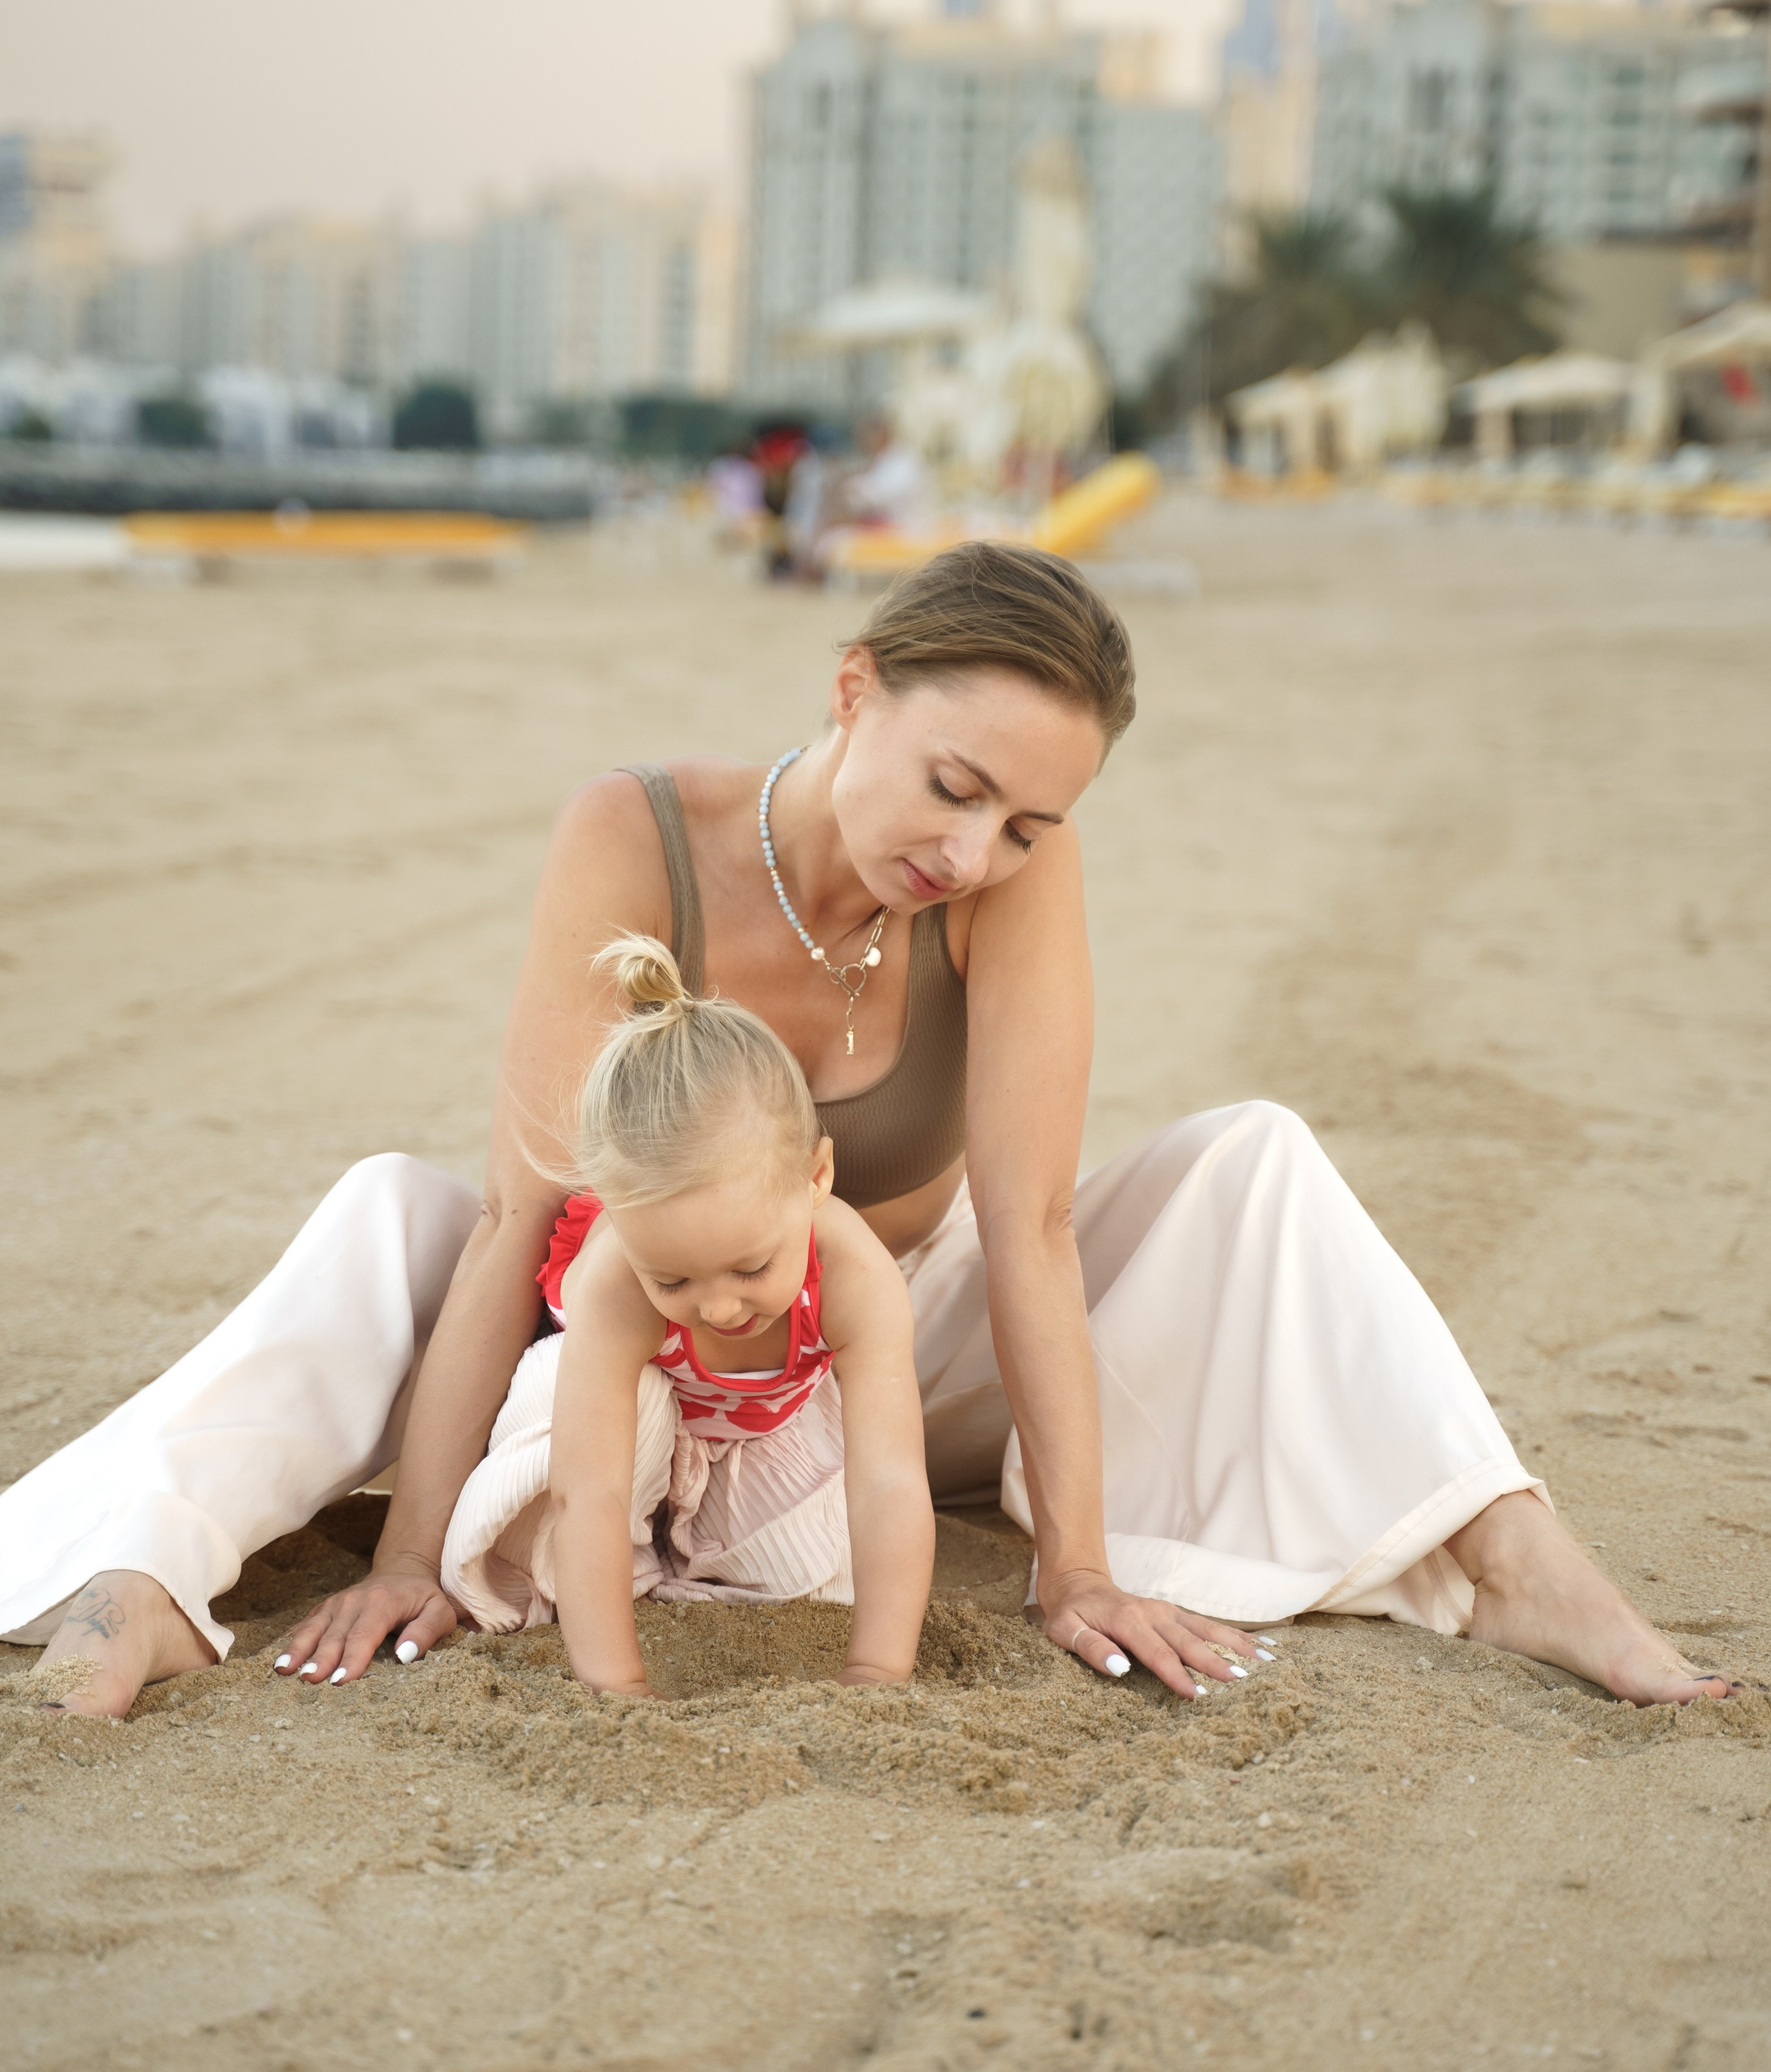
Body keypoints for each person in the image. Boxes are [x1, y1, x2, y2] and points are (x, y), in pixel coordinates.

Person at [1, 543, 1739, 1719]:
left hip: (897, 1345)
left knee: (1254, 1160)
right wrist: (407, 1552)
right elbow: (525, 1210)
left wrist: (1075, 1573)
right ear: (852, 692)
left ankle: (1510, 1561)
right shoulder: (637, 832)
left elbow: (1032, 1225)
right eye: (953, 788)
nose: (973, 854)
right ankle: (145, 1570)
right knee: (393, 1207)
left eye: (1026, 825)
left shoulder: (1014, 882)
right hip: (623, 1338)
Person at [429, 933, 935, 1692]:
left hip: (755, 1425)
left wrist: (876, 1669)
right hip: (623, 1425)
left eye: (753, 1267)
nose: (720, 1305)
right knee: (570, 1500)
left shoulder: (853, 1273)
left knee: (819, 1575)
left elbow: (891, 1478)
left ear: (817, 1177)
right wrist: (617, 1687)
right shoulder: (617, 1281)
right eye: (673, 1279)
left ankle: (687, 1552)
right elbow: (587, 1491)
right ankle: (636, 1567)